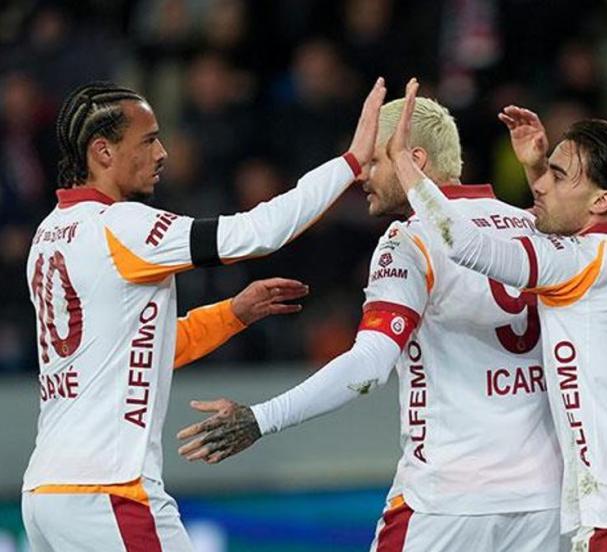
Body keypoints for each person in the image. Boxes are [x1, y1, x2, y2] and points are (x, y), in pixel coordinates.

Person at [176, 93, 565, 551]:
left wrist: (261, 418)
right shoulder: (535, 229)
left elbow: (369, 365)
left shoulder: (411, 239)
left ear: (414, 160)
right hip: (546, 500)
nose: (362, 175)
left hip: (447, 499)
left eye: (376, 161)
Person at [22, 78, 386, 551]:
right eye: (148, 140)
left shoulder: (49, 233)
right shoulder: (121, 227)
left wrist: (233, 313)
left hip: (46, 493)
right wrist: (350, 162)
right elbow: (259, 231)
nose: (162, 154)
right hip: (107, 489)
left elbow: (138, 351)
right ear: (102, 152)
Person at [389, 79, 607, 550]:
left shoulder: (581, 263)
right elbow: (562, 233)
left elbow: (462, 243)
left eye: (558, 176)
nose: (542, 185)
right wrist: (536, 167)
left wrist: (404, 164)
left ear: (602, 200)